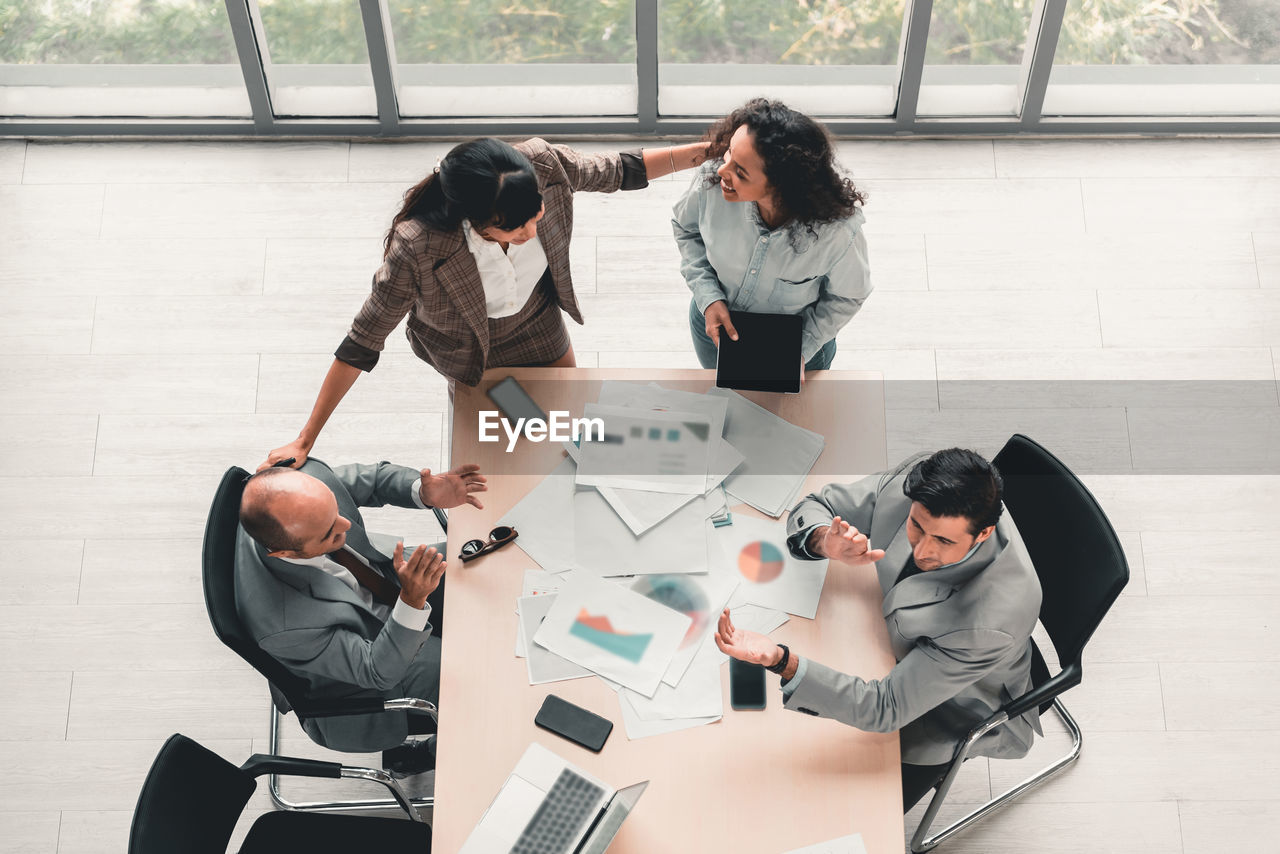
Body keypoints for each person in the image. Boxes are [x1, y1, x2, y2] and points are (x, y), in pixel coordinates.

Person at [262, 137, 708, 470]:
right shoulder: (417, 247)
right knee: (521, 442)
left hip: (537, 321)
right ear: (473, 220)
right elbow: (362, 343)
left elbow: (622, 169)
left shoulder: (542, 164)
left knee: (571, 426)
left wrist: (711, 150)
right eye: (514, 231)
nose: (531, 235)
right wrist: (305, 439)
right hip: (469, 350)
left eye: (535, 217)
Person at [714, 448, 1043, 811]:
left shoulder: (990, 622)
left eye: (945, 542)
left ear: (983, 534)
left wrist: (781, 660)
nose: (923, 550)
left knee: (810, 798)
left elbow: (886, 708)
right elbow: (817, 503)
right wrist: (825, 540)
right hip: (883, 638)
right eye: (917, 526)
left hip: (948, 707)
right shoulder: (920, 488)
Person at [235, 457, 486, 775]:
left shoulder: (305, 484)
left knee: (482, 562)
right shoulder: (284, 626)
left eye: (335, 512)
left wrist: (423, 493)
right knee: (478, 677)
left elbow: (374, 479)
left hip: (386, 581)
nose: (347, 526)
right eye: (329, 533)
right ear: (285, 553)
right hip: (371, 666)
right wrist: (411, 600)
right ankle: (426, 754)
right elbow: (377, 671)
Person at [673, 98, 871, 380]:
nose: (721, 171)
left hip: (799, 346)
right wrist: (708, 297)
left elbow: (848, 295)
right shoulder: (711, 183)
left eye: (740, 171)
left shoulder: (837, 232)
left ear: (783, 186)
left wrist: (801, 350)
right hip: (715, 327)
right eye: (728, 154)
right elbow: (686, 229)